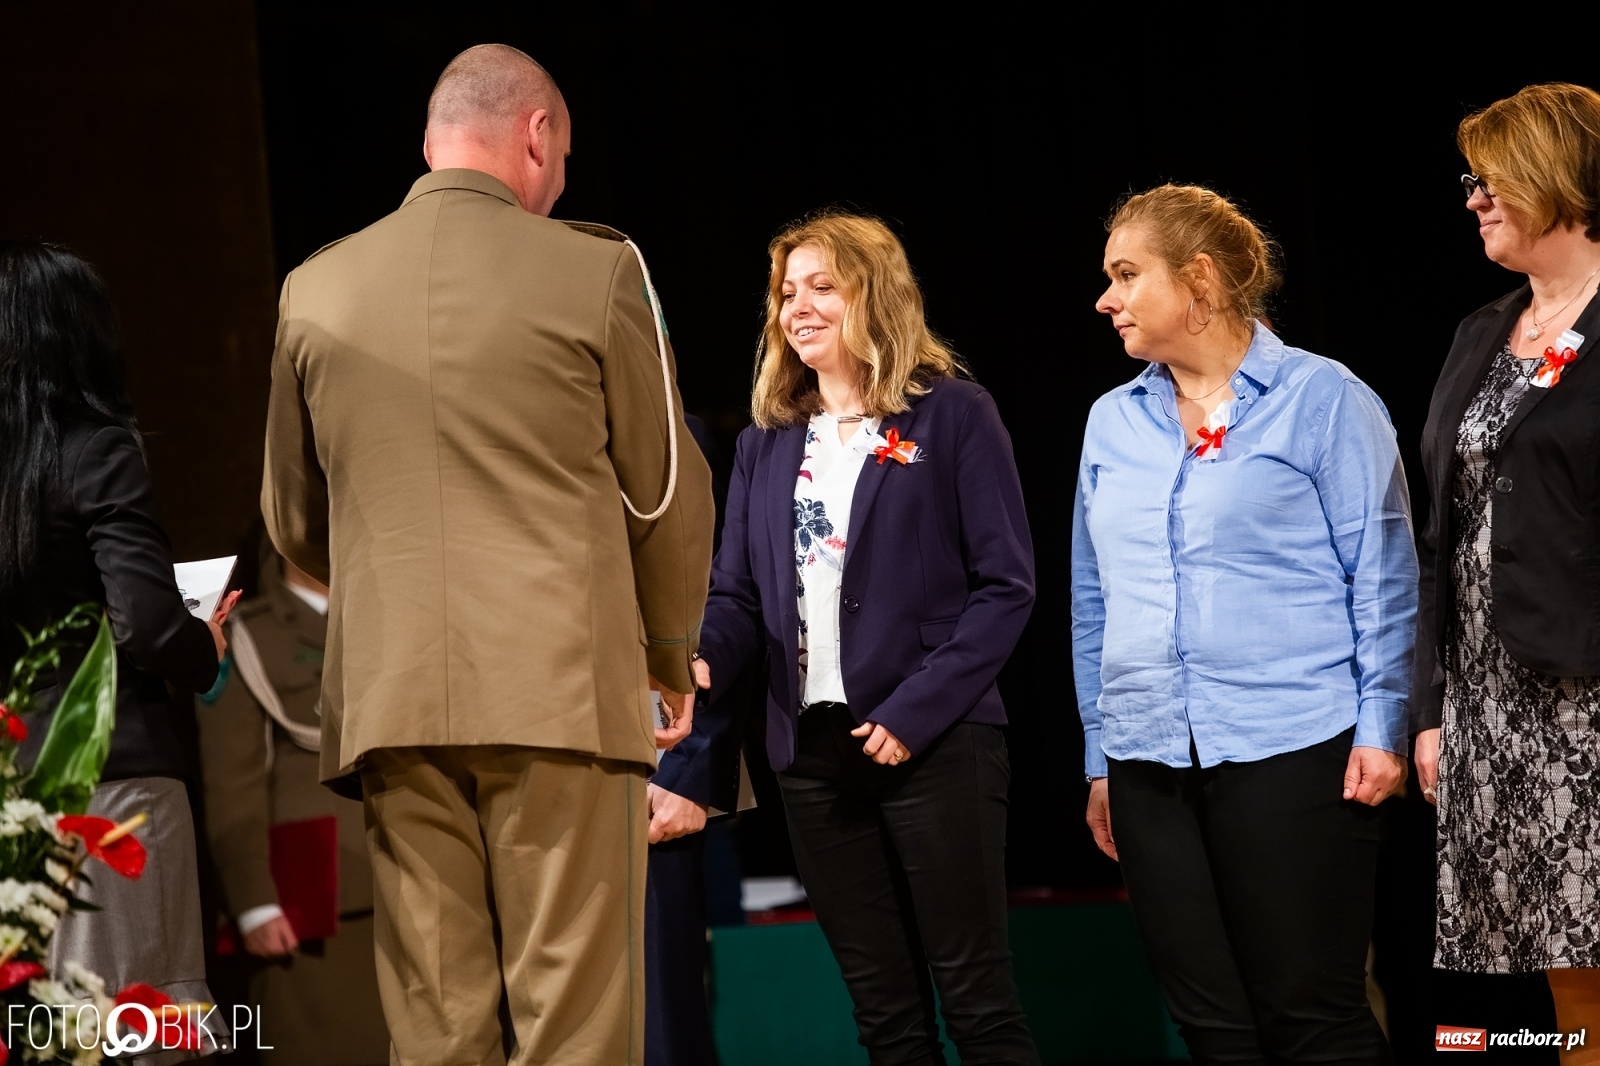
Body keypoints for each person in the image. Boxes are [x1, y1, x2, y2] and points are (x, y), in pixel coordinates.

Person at [260, 44, 714, 1066]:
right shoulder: (599, 269)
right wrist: (669, 644)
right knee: (575, 1024)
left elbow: (292, 521)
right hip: (560, 696)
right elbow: (666, 489)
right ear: (537, 137)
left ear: (430, 143)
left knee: (435, 1028)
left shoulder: (312, 289)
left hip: (393, 701)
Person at [1073, 184, 1414, 1063]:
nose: (1105, 299)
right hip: (1146, 757)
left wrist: (1383, 726)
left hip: (1295, 744)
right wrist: (1098, 754)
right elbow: (1092, 597)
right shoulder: (1112, 421)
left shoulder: (1323, 398)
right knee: (1212, 1028)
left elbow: (1382, 575)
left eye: (1125, 275)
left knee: (1314, 1017)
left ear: (1199, 281)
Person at [691, 211, 1040, 1065]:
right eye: (785, 293)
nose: (798, 308)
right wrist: (697, 662)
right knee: (885, 1017)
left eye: (822, 287)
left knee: (977, 1004)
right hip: (810, 760)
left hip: (935, 744)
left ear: (873, 296)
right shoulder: (765, 442)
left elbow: (1007, 587)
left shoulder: (953, 414)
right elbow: (736, 596)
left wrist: (915, 712)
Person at [0, 240, 229, 1064]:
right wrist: (204, 644)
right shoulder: (97, 448)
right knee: (137, 1030)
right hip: (111, 785)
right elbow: (148, 625)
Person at [1413, 82, 1600, 1057]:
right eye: (1469, 181)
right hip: (1488, 706)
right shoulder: (1481, 332)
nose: (1474, 199)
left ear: (1558, 174)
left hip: (1584, 698)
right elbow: (1438, 541)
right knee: (1520, 977)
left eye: (1490, 179)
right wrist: (1432, 706)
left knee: (1588, 954)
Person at [197, 532, 388, 1065]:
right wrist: (252, 898)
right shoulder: (248, 637)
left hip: (406, 877)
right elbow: (231, 774)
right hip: (313, 899)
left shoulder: (387, 622)